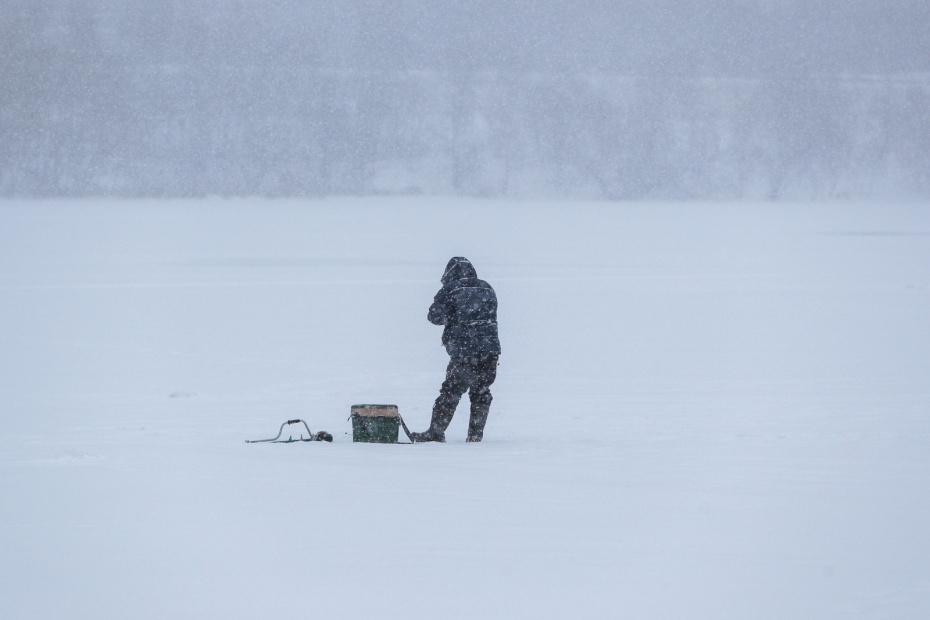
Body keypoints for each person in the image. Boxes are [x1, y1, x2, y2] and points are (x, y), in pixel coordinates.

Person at [410, 257, 501, 443]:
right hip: (490, 350)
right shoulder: (487, 288)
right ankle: (475, 436)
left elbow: (434, 316)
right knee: (481, 391)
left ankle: (435, 432)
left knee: (451, 391)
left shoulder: (450, 289)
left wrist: (451, 314)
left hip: (464, 350)